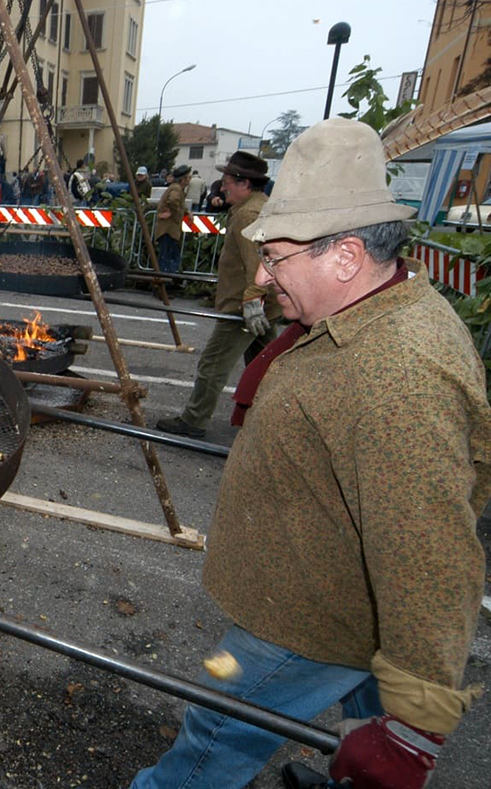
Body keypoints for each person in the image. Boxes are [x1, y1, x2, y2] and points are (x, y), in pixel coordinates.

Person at [133, 117, 489, 789]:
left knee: (213, 736)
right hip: (339, 597)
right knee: (367, 714)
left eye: (277, 258)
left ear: (347, 257)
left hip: (306, 617)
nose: (263, 276)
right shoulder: (368, 313)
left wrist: (414, 731)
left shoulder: (399, 378)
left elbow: (431, 558)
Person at [156, 152, 280, 438]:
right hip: (262, 304)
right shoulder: (256, 206)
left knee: (213, 364)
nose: (222, 187)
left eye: (227, 182)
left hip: (244, 307)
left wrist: (251, 301)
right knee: (267, 366)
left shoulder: (249, 214)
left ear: (244, 183)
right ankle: (270, 419)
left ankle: (194, 420)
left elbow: (258, 263)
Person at [153, 164, 191, 274]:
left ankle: (165, 278)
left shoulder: (175, 188)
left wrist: (187, 211)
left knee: (168, 255)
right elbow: (174, 200)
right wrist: (174, 212)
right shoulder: (176, 189)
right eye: (188, 177)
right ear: (183, 179)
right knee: (168, 256)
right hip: (168, 229)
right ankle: (165, 280)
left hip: (168, 229)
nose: (189, 180)